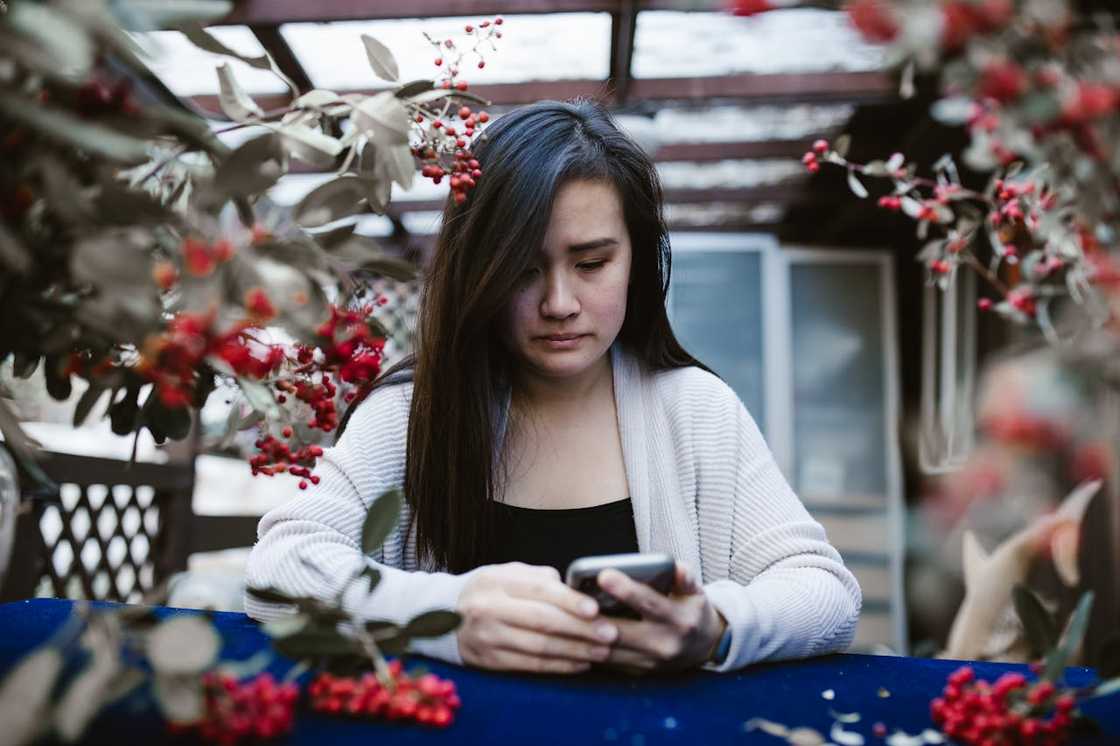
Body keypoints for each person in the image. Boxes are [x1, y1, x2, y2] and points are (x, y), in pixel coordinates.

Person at [244, 99, 861, 674]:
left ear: (639, 261)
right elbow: (278, 570)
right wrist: (447, 615)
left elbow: (826, 594)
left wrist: (716, 625)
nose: (559, 303)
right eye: (522, 269)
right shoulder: (411, 414)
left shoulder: (695, 410)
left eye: (591, 264)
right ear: (476, 271)